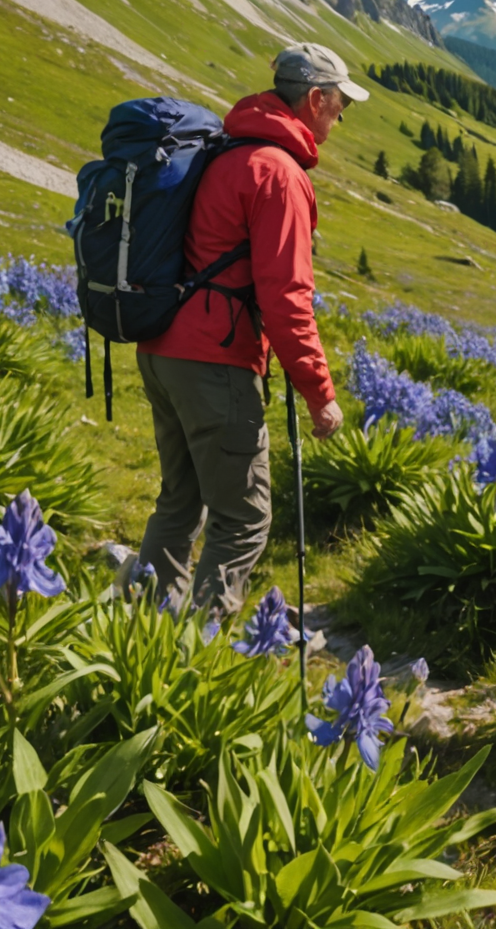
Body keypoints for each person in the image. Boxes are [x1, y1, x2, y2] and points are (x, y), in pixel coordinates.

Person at [134, 43, 359, 617]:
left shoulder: (228, 151)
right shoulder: (278, 173)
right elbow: (286, 299)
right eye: (339, 105)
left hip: (164, 348)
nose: (341, 117)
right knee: (243, 519)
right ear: (314, 100)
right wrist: (320, 394)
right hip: (215, 360)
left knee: (180, 503)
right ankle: (196, 658)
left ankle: (137, 641)